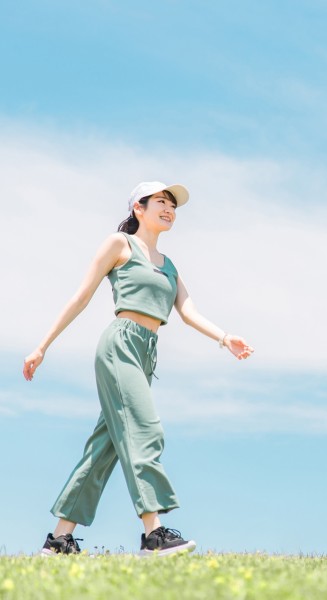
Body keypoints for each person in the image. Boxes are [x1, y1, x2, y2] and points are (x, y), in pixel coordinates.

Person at [23, 181, 254, 556]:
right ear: (138, 209)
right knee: (144, 430)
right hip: (120, 344)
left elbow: (188, 311)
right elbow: (81, 296)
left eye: (173, 205)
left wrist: (225, 337)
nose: (169, 209)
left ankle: (59, 539)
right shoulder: (120, 245)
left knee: (107, 446)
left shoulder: (169, 266)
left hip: (146, 352)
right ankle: (153, 533)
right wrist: (42, 346)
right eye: (161, 202)